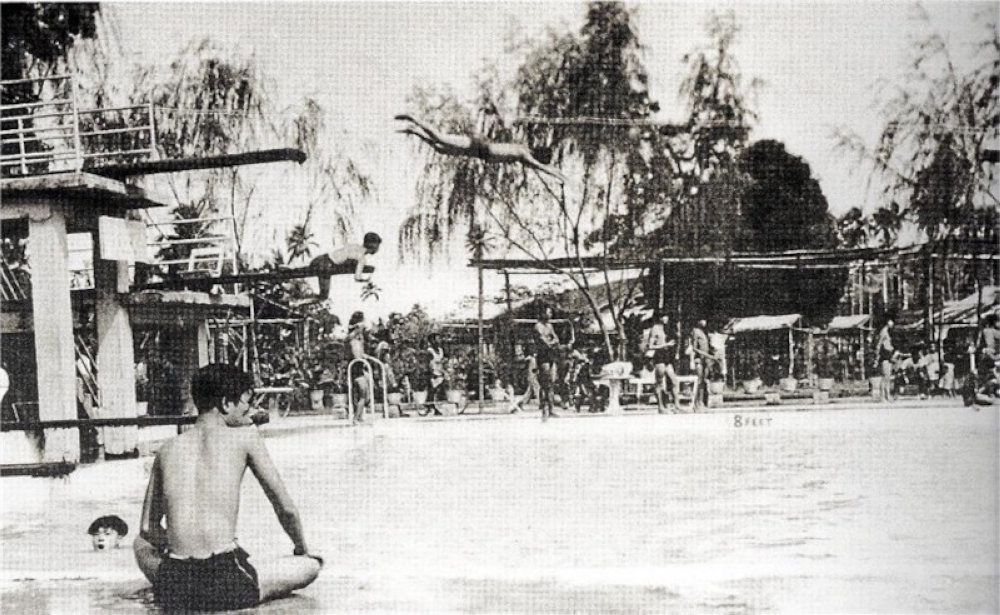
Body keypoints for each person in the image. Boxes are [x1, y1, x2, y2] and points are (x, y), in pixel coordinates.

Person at [133, 364, 321, 612]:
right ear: (225, 403)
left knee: (139, 545)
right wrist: (301, 549)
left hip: (175, 586)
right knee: (311, 566)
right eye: (246, 403)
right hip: (227, 584)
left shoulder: (167, 449)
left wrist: (184, 547)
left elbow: (147, 529)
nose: (249, 411)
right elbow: (285, 509)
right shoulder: (246, 437)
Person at [395, 114, 568, 183]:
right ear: (538, 155)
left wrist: (557, 173)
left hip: (476, 152)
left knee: (440, 149)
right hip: (477, 145)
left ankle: (415, 131)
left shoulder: (523, 153)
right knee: (440, 138)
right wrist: (559, 175)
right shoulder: (523, 153)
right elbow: (541, 167)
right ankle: (413, 119)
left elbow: (541, 166)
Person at [292, 232, 382, 307]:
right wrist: (366, 280)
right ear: (373, 245)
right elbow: (357, 278)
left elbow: (341, 257)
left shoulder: (354, 246)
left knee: (300, 271)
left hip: (319, 259)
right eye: (378, 246)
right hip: (326, 267)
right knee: (323, 297)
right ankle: (297, 302)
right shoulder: (361, 259)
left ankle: (289, 270)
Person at [642, 311, 680, 414]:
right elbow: (650, 346)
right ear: (659, 318)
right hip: (659, 357)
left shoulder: (667, 328)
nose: (666, 318)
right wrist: (665, 345)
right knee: (659, 382)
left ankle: (677, 405)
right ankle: (660, 406)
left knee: (674, 381)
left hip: (667, 357)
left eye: (666, 316)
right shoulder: (655, 329)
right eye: (664, 317)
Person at [534, 305, 563, 419]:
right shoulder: (538, 326)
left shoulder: (550, 326)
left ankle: (551, 409)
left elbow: (556, 339)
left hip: (551, 356)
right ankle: (544, 409)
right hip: (543, 357)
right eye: (548, 312)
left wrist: (552, 342)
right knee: (545, 383)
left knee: (552, 383)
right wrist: (552, 343)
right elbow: (544, 342)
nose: (550, 315)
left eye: (551, 313)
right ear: (543, 314)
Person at [348, 311, 371, 423]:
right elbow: (357, 354)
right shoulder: (354, 338)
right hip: (356, 368)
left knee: (366, 395)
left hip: (360, 368)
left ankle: (359, 416)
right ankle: (356, 418)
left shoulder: (358, 338)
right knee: (363, 395)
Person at [508, 347, 540, 414]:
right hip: (532, 377)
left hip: (532, 377)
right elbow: (533, 370)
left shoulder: (531, 359)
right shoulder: (531, 359)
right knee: (534, 391)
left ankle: (518, 404)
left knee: (529, 393)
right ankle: (515, 406)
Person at [688, 319, 711, 411]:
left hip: (706, 359)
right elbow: (694, 348)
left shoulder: (704, 332)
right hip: (699, 359)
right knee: (699, 381)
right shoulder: (695, 331)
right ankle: (697, 402)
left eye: (705, 320)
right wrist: (704, 354)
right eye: (702, 320)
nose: (704, 322)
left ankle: (701, 401)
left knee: (703, 381)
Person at [421, 334, 446, 416]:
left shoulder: (440, 350)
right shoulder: (430, 351)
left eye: (440, 338)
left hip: (440, 372)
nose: (439, 340)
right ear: (433, 340)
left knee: (437, 390)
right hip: (432, 373)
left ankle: (432, 406)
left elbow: (442, 360)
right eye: (438, 338)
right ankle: (430, 406)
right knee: (432, 390)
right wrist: (430, 373)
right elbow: (428, 363)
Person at [876, 319, 896, 402]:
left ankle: (888, 395)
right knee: (885, 377)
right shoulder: (883, 332)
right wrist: (877, 357)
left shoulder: (887, 332)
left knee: (888, 377)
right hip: (885, 357)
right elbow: (879, 344)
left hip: (889, 356)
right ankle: (882, 396)